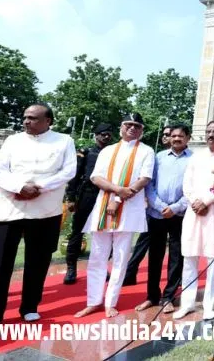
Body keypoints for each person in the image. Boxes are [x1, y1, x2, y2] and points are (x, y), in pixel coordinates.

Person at [0, 104, 76, 333]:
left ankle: (29, 307)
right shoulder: (13, 141)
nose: (26, 121)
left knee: (38, 261)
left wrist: (38, 188)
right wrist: (20, 187)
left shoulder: (64, 141)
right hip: (12, 207)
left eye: (33, 118)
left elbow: (68, 171)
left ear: (48, 121)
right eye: (25, 117)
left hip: (45, 209)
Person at [75, 113, 155, 319]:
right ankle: (93, 301)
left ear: (142, 130)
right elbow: (96, 176)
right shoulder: (108, 151)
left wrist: (119, 198)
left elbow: (144, 178)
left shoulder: (146, 151)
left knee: (120, 258)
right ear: (121, 127)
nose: (132, 128)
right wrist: (117, 191)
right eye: (128, 125)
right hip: (103, 207)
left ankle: (111, 302)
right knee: (97, 257)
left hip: (129, 209)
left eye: (137, 126)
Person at [173, 121, 214, 320]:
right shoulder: (196, 156)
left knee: (213, 259)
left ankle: (209, 305)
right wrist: (194, 201)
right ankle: (188, 303)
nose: (211, 135)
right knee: (190, 258)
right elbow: (187, 184)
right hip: (194, 212)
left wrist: (207, 201)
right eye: (208, 131)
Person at [134, 125, 192, 314]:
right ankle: (151, 296)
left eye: (180, 136)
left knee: (176, 257)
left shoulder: (194, 160)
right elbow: (149, 185)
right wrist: (159, 206)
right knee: (155, 256)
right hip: (156, 214)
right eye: (173, 136)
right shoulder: (158, 157)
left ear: (187, 138)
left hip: (178, 214)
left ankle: (169, 297)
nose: (176, 139)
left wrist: (175, 208)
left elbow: (192, 188)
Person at [64, 123, 113, 285]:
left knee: (103, 234)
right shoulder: (86, 152)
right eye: (103, 134)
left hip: (105, 195)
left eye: (109, 134)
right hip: (87, 195)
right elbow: (75, 176)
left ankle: (101, 267)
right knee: (77, 233)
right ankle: (71, 268)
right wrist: (70, 197)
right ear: (96, 135)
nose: (106, 137)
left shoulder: (114, 154)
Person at [123, 125, 172, 286]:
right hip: (155, 209)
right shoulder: (156, 156)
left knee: (176, 247)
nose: (166, 137)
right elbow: (149, 182)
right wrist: (155, 203)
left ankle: (175, 279)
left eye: (169, 134)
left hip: (175, 211)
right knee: (143, 241)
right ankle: (130, 272)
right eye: (164, 134)